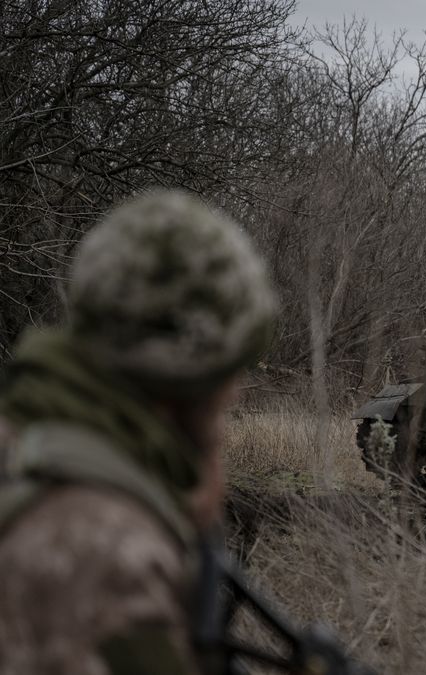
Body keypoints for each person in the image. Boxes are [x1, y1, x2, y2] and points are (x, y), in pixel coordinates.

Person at [0, 190, 279, 673]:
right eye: (230, 370)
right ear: (186, 374)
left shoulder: (25, 434)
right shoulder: (112, 558)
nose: (235, 392)